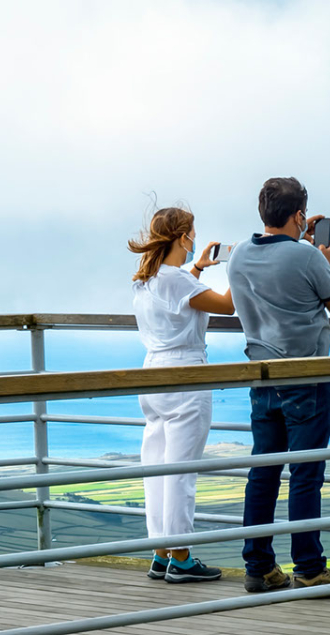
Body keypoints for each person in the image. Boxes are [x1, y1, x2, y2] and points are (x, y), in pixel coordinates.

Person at [224, 176, 330, 593]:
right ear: (300, 215)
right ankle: (310, 568)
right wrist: (326, 259)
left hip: (261, 380)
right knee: (305, 474)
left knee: (263, 472)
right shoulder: (307, 258)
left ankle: (259, 567)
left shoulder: (238, 256)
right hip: (306, 380)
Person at [127, 206, 233, 583]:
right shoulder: (179, 282)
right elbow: (227, 305)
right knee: (181, 472)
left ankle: (160, 551)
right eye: (192, 233)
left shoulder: (146, 279)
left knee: (156, 468)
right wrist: (242, 267)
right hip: (186, 374)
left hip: (152, 373)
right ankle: (182, 556)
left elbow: (177, 295)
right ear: (182, 236)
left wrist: (200, 268)